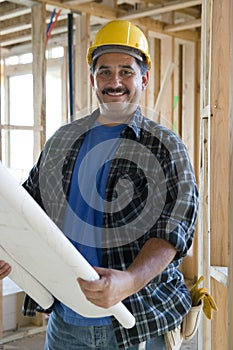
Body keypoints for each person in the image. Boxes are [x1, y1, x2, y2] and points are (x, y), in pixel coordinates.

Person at [0, 20, 198, 350]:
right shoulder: (62, 142)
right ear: (93, 78)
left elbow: (174, 227)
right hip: (66, 323)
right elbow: (24, 208)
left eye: (126, 71)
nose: (114, 81)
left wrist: (130, 281)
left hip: (137, 323)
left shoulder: (165, 146)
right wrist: (8, 254)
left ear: (144, 78)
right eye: (104, 71)